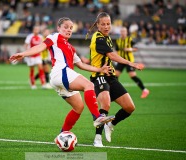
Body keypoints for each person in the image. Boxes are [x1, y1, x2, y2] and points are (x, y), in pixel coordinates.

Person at [9, 17, 115, 135]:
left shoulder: (71, 48)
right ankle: (97, 117)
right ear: (58, 28)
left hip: (60, 79)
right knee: (89, 85)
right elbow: (40, 46)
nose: (68, 30)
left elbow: (81, 65)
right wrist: (24, 54)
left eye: (71, 28)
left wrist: (99, 69)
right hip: (61, 72)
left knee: (78, 108)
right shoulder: (54, 37)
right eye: (65, 27)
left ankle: (62, 135)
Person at [86, 12, 145, 147]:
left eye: (108, 24)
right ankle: (97, 139)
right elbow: (112, 55)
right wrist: (131, 63)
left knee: (129, 107)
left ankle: (111, 125)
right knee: (105, 104)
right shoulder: (99, 38)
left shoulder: (107, 38)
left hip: (111, 76)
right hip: (99, 76)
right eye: (103, 24)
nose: (106, 26)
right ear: (98, 25)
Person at [115, 27, 150, 98]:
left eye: (124, 31)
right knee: (115, 76)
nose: (122, 33)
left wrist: (129, 49)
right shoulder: (118, 40)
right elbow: (116, 50)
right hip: (121, 60)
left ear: (126, 32)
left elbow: (136, 48)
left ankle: (145, 90)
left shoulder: (130, 39)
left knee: (132, 76)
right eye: (121, 31)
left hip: (129, 61)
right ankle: (116, 91)